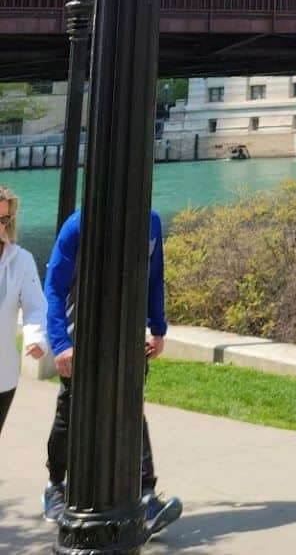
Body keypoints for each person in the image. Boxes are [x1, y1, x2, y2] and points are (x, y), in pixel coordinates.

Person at [43, 209, 180, 536]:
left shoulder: (151, 222)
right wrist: (61, 343)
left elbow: (154, 276)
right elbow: (55, 287)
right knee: (70, 410)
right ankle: (55, 487)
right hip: (81, 338)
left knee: (132, 410)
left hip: (127, 338)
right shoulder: (78, 225)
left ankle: (146, 495)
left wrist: (157, 327)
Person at [0, 185, 47, 436]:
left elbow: (35, 306)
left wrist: (37, 338)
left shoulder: (21, 260)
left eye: (3, 219)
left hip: (2, 375)